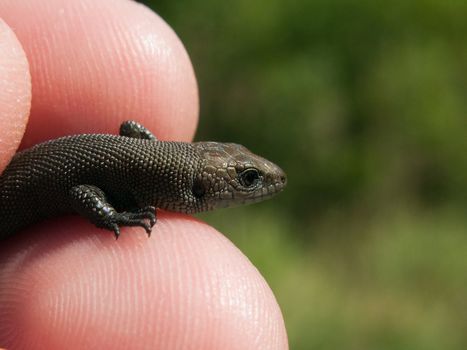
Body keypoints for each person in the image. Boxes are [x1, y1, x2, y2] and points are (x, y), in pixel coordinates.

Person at [0, 0, 287, 348]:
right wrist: (113, 216)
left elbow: (128, 128)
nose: (266, 181)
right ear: (197, 188)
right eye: (246, 179)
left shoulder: (144, 169)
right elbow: (82, 193)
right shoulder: (144, 177)